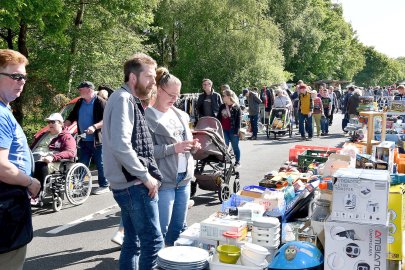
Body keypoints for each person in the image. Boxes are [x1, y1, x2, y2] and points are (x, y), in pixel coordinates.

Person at [102, 53, 164, 270]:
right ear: (132, 78)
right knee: (153, 242)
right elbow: (120, 145)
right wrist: (146, 176)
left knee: (133, 242)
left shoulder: (124, 98)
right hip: (134, 186)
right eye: (149, 77)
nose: (153, 82)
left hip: (126, 185)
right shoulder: (123, 99)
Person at [145, 67, 201, 246]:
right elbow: (144, 152)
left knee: (178, 228)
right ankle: (155, 261)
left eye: (178, 95)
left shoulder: (181, 115)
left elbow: (187, 144)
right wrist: (173, 148)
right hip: (164, 181)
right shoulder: (147, 117)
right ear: (159, 90)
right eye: (171, 95)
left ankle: (173, 261)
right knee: (160, 229)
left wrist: (193, 146)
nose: (175, 99)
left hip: (184, 180)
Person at [0, 49, 41, 269]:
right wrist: (30, 182)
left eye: (23, 77)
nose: (21, 81)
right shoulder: (0, 114)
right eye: (15, 76)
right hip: (6, 206)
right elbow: (1, 166)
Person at [65, 81, 109, 195]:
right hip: (83, 139)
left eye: (81, 89)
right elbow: (72, 116)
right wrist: (65, 124)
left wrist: (94, 127)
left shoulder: (100, 102)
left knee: (101, 163)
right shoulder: (80, 102)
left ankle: (104, 185)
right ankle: (77, 185)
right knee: (82, 163)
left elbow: (107, 120)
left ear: (89, 90)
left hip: (98, 140)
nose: (79, 91)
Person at [31, 113, 76, 204]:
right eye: (48, 122)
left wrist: (53, 157)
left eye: (52, 122)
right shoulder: (43, 135)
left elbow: (70, 152)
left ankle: (37, 194)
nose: (50, 124)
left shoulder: (66, 136)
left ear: (61, 123)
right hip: (34, 157)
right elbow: (31, 147)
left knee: (40, 165)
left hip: (55, 162)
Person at [217, 89, 242, 167]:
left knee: (235, 146)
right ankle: (222, 161)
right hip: (224, 130)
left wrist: (236, 132)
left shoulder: (236, 107)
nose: (222, 97)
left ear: (228, 97)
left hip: (233, 130)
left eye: (224, 96)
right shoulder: (222, 106)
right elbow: (218, 118)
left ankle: (237, 162)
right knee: (224, 146)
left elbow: (238, 121)